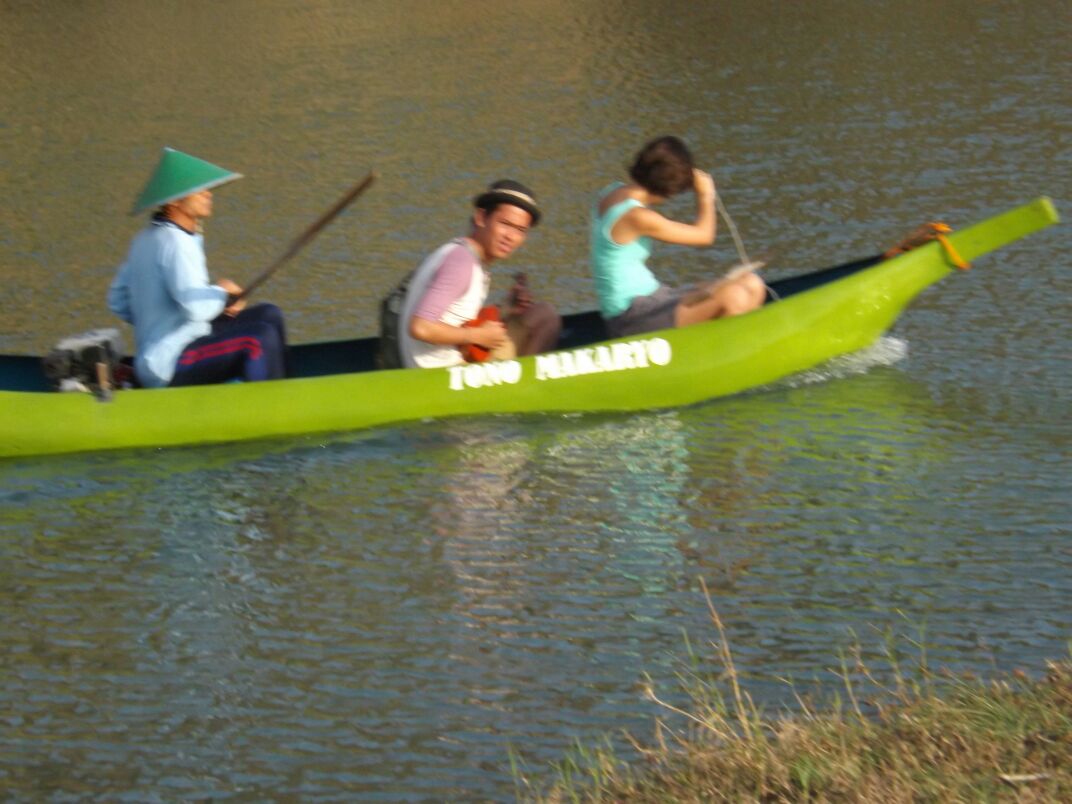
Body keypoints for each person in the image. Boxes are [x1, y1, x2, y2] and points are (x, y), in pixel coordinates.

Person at [108, 147, 288, 388]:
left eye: (207, 188)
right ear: (174, 202)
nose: (208, 194)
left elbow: (117, 300)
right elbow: (195, 308)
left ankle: (280, 387)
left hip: (171, 349)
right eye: (198, 190)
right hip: (168, 363)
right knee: (257, 339)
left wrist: (154, 316)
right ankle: (273, 408)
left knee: (269, 314)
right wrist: (223, 296)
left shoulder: (144, 238)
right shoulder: (175, 242)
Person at [590, 136, 766, 338]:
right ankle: (723, 356)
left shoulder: (612, 191)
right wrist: (705, 195)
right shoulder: (637, 217)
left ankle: (738, 348)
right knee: (733, 297)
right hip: (630, 317)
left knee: (752, 283)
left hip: (655, 297)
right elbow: (704, 235)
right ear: (670, 188)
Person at [393, 179, 561, 369]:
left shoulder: (457, 251)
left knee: (538, 314)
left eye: (520, 230)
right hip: (446, 375)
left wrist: (505, 309)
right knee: (546, 317)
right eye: (505, 223)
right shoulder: (462, 263)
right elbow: (421, 327)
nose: (511, 237)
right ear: (481, 218)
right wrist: (477, 336)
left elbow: (453, 317)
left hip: (448, 360)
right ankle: (526, 391)